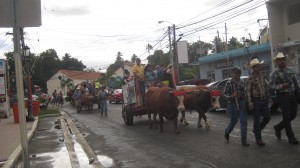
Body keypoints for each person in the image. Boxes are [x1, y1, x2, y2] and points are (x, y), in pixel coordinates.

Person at [269, 52, 299, 145]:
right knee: (286, 115)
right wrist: (282, 86)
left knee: (293, 114)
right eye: (279, 60)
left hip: (292, 94)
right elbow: (271, 86)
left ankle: (278, 127)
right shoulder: (274, 73)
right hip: (282, 96)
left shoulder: (291, 70)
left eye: (283, 60)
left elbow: (296, 81)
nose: (281, 62)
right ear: (277, 62)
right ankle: (291, 137)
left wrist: (298, 91)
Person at [246, 58, 270, 146]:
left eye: (259, 66)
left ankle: (256, 130)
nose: (259, 68)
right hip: (255, 101)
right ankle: (258, 139)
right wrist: (250, 102)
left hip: (264, 100)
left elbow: (266, 86)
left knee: (267, 117)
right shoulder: (250, 78)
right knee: (256, 120)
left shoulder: (262, 76)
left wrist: (268, 97)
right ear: (253, 68)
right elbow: (248, 91)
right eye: (257, 67)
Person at [224, 67, 249, 146]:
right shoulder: (229, 83)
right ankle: (227, 132)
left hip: (241, 103)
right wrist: (232, 96)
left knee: (243, 121)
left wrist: (245, 99)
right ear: (233, 74)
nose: (238, 74)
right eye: (236, 73)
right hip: (232, 104)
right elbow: (224, 94)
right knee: (234, 121)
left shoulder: (241, 83)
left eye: (239, 73)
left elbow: (244, 93)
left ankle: (243, 140)